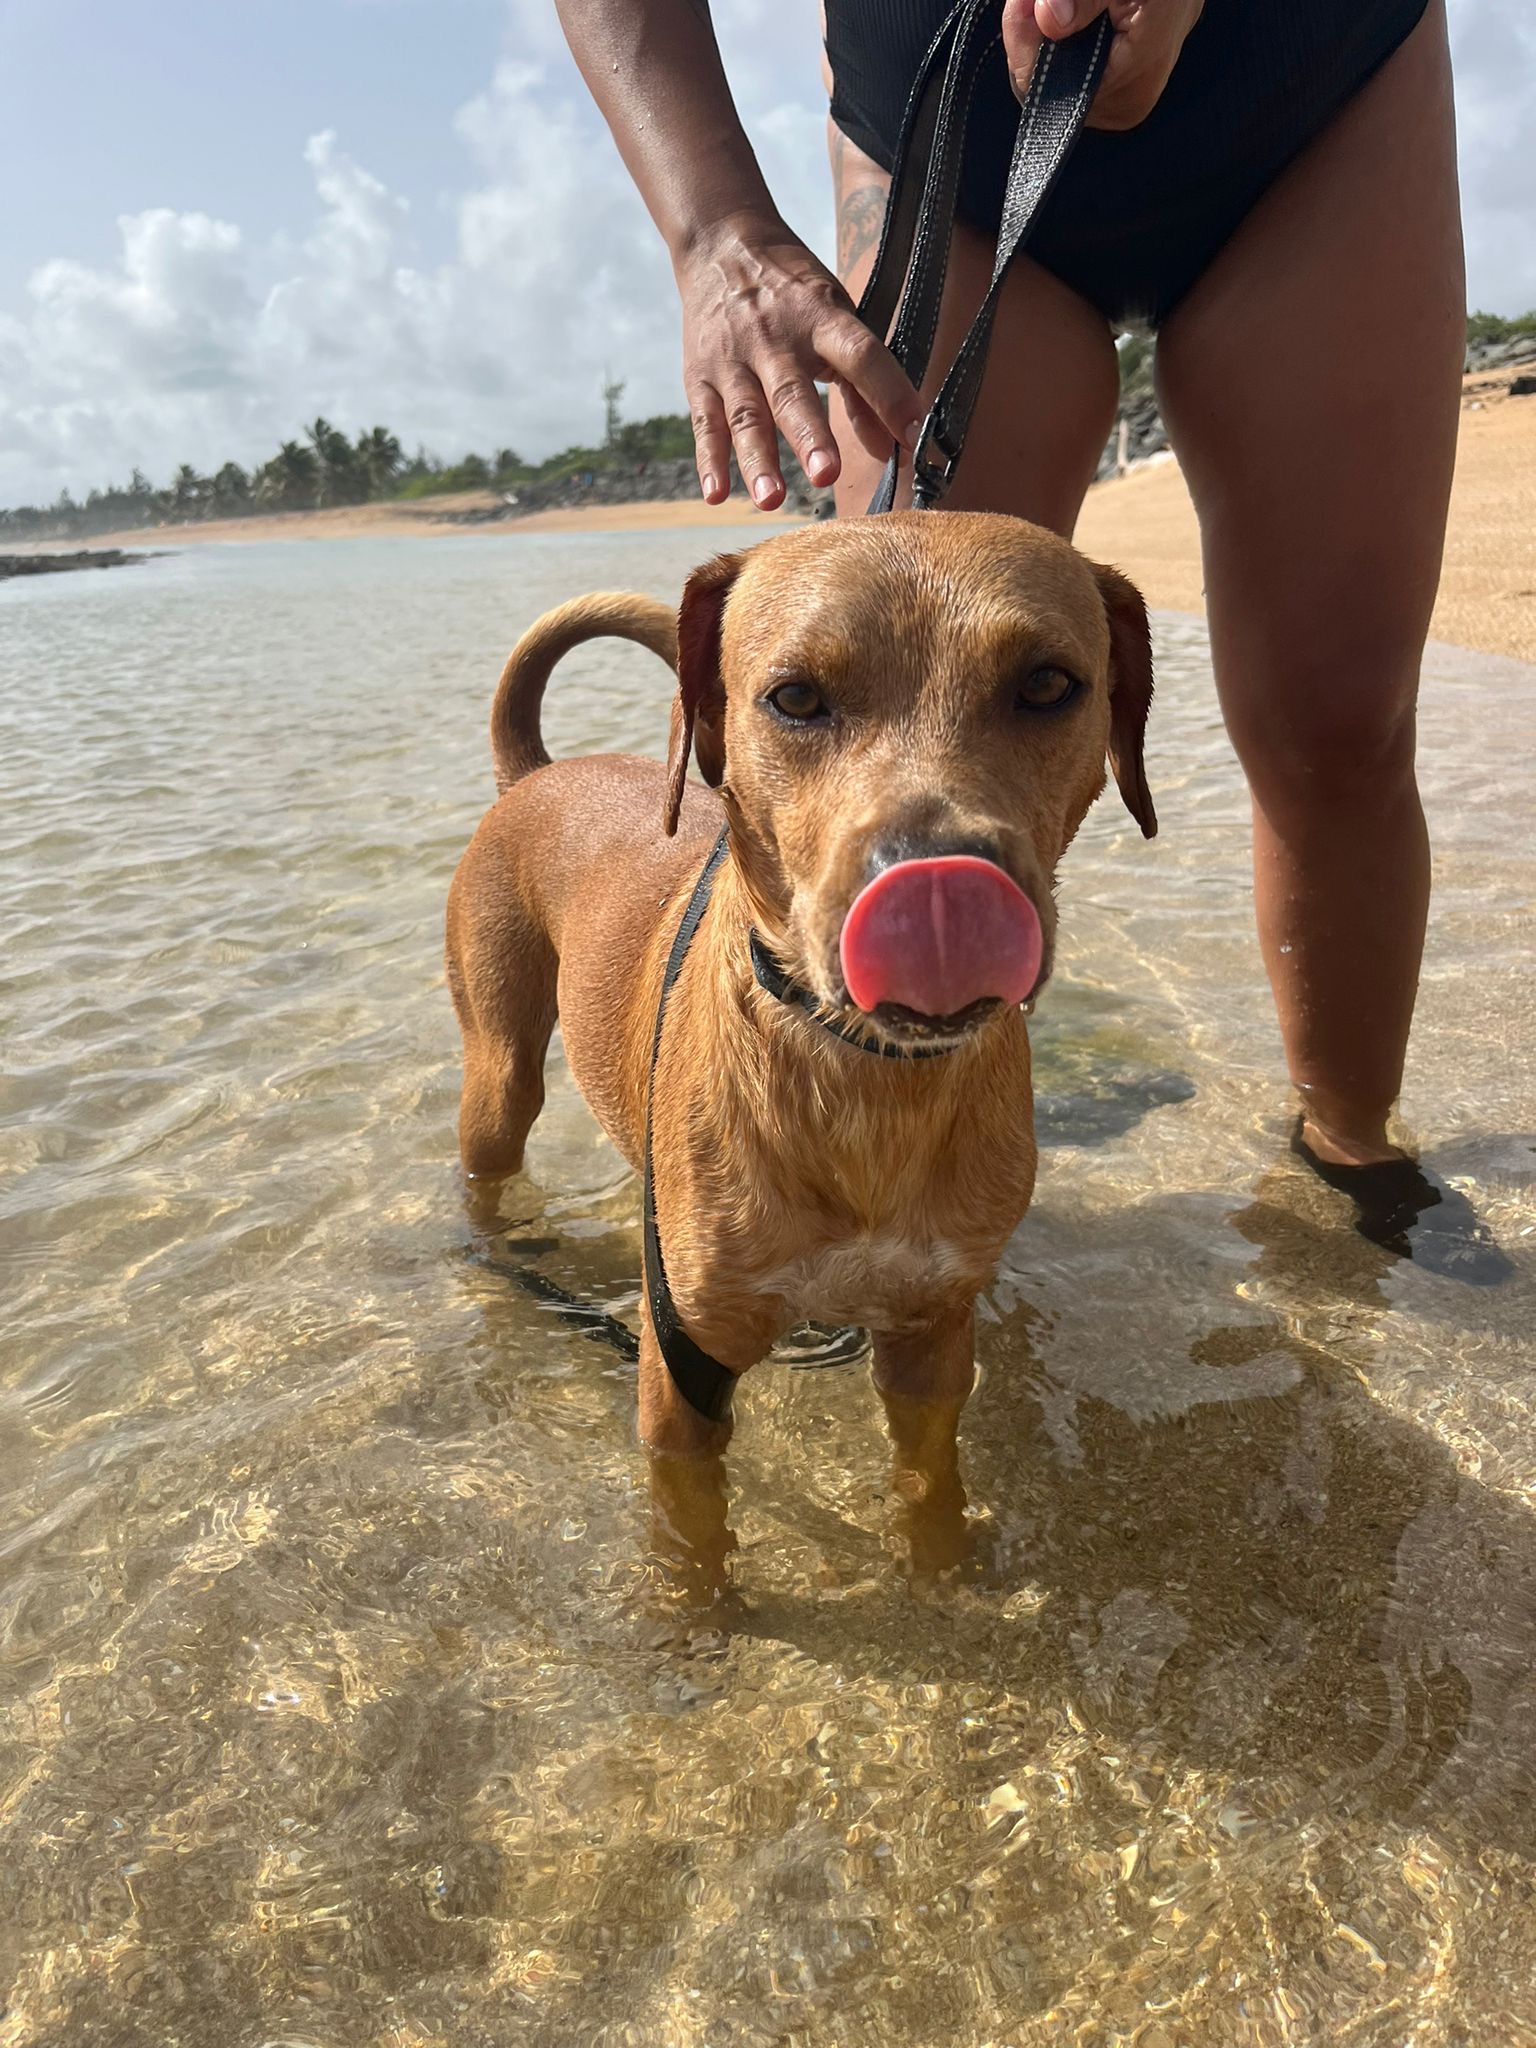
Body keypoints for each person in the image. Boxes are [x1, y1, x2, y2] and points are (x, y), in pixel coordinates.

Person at [555, 0, 1504, 1276]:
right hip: (945, 123)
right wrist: (712, 227)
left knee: (1337, 727)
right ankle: (845, 1213)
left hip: (1308, 86)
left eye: (1062, 687)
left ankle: (1348, 1140)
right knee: (883, 679)